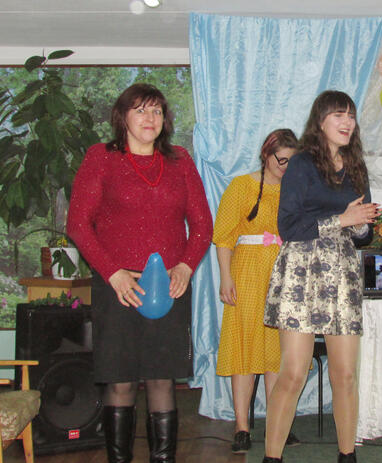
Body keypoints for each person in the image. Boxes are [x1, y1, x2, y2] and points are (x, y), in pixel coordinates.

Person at [67, 83, 213, 463]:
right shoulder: (101, 158)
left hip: (168, 288)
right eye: (141, 110)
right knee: (121, 383)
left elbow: (202, 226)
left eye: (157, 111)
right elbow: (79, 225)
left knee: (162, 380)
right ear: (123, 117)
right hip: (119, 288)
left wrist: (185, 266)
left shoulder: (180, 160)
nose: (150, 118)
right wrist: (113, 273)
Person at [261, 90, 381, 463]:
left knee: (345, 375)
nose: (347, 122)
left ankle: (348, 456)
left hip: (342, 273)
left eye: (351, 116)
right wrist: (342, 219)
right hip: (301, 273)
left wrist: (360, 225)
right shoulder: (301, 164)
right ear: (320, 121)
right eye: (338, 115)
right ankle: (271, 457)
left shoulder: (356, 166)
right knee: (293, 374)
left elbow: (365, 235)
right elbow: (288, 227)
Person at [213, 129, 300, 454]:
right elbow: (223, 237)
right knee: (245, 349)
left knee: (279, 351)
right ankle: (242, 427)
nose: (286, 167)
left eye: (292, 162)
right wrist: (225, 278)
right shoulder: (240, 186)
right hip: (247, 273)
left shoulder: (296, 191)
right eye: (281, 160)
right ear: (266, 154)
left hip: (285, 274)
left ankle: (279, 423)